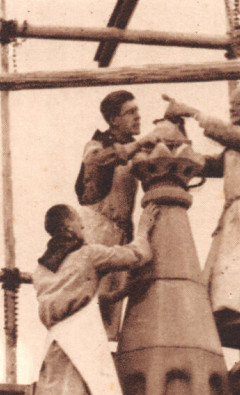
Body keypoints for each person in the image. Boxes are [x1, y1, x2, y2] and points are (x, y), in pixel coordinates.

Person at [26, 202, 158, 395]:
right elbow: (138, 255)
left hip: (56, 340)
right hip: (82, 333)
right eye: (81, 224)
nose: (85, 229)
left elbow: (69, 294)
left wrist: (116, 295)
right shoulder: (87, 255)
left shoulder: (40, 269)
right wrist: (145, 228)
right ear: (70, 227)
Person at [162, 85, 240, 350]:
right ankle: (230, 323)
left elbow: (230, 135)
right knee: (222, 276)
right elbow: (209, 164)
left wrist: (193, 112)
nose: (233, 108)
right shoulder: (235, 145)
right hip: (235, 216)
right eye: (232, 105)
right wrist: (180, 148)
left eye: (239, 104)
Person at [75, 90, 144, 338]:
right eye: (131, 112)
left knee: (112, 309)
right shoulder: (97, 145)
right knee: (92, 299)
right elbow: (98, 160)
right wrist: (139, 145)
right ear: (114, 120)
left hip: (120, 233)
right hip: (97, 227)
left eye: (137, 111)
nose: (138, 117)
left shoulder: (136, 151)